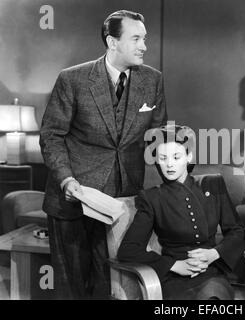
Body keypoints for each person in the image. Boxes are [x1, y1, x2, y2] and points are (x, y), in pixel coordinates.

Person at [39, 10, 167, 299]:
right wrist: (66, 180)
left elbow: (158, 138)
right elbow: (51, 136)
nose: (144, 46)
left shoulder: (153, 80)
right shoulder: (73, 79)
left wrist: (178, 177)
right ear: (112, 42)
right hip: (73, 199)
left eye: (144, 38)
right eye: (136, 38)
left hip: (122, 203)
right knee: (72, 288)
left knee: (114, 286)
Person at [117, 124, 245, 300]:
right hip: (175, 279)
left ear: (189, 157)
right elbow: (128, 250)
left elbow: (237, 231)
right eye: (162, 158)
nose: (169, 164)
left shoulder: (213, 184)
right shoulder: (152, 198)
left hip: (211, 273)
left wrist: (214, 254)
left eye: (176, 157)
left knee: (211, 297)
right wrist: (173, 265)